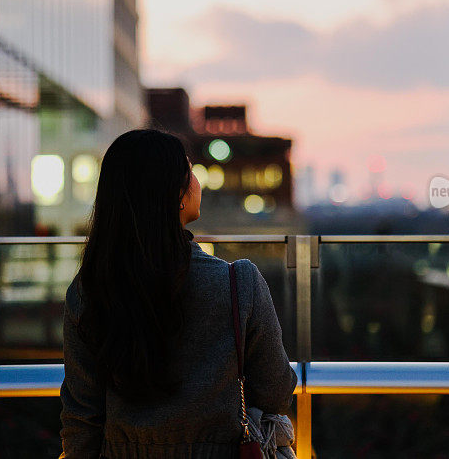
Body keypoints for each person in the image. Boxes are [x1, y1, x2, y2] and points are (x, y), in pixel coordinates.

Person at [59, 129, 298, 458]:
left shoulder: (89, 291)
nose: (196, 180)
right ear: (177, 194)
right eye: (190, 171)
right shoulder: (238, 283)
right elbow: (276, 392)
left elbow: (82, 418)